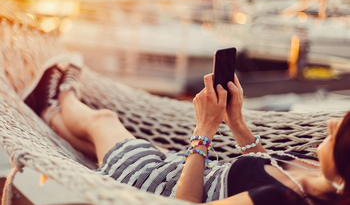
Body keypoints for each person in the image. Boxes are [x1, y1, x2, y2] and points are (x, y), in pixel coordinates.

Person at [22, 53, 350, 205]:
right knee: (90, 145)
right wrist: (235, 122)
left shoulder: (278, 201)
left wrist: (205, 129)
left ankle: (62, 85)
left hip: (155, 187)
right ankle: (46, 109)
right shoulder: (312, 171)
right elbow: (266, 167)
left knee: (103, 120)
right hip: (181, 167)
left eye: (340, 134)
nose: (332, 124)